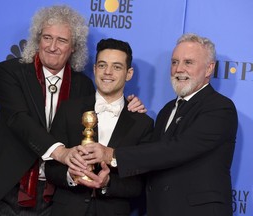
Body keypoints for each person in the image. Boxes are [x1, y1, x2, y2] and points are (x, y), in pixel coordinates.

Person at [0, 5, 146, 216]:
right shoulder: (9, 72)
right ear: (38, 39)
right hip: (9, 188)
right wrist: (61, 153)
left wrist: (130, 106)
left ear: (74, 47)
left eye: (62, 40)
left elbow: (106, 102)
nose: (52, 46)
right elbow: (19, 119)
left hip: (55, 198)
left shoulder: (82, 84)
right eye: (47, 37)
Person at [73, 33, 238, 216]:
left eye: (188, 63)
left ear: (209, 69)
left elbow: (176, 149)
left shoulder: (220, 108)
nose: (178, 69)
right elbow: (150, 159)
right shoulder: (167, 111)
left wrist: (111, 154)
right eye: (174, 62)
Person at [45, 38, 154, 216]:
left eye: (117, 67)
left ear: (129, 73)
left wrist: (108, 183)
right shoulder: (69, 109)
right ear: (95, 69)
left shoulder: (143, 123)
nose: (108, 72)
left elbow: (140, 183)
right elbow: (50, 167)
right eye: (102, 65)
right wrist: (70, 176)